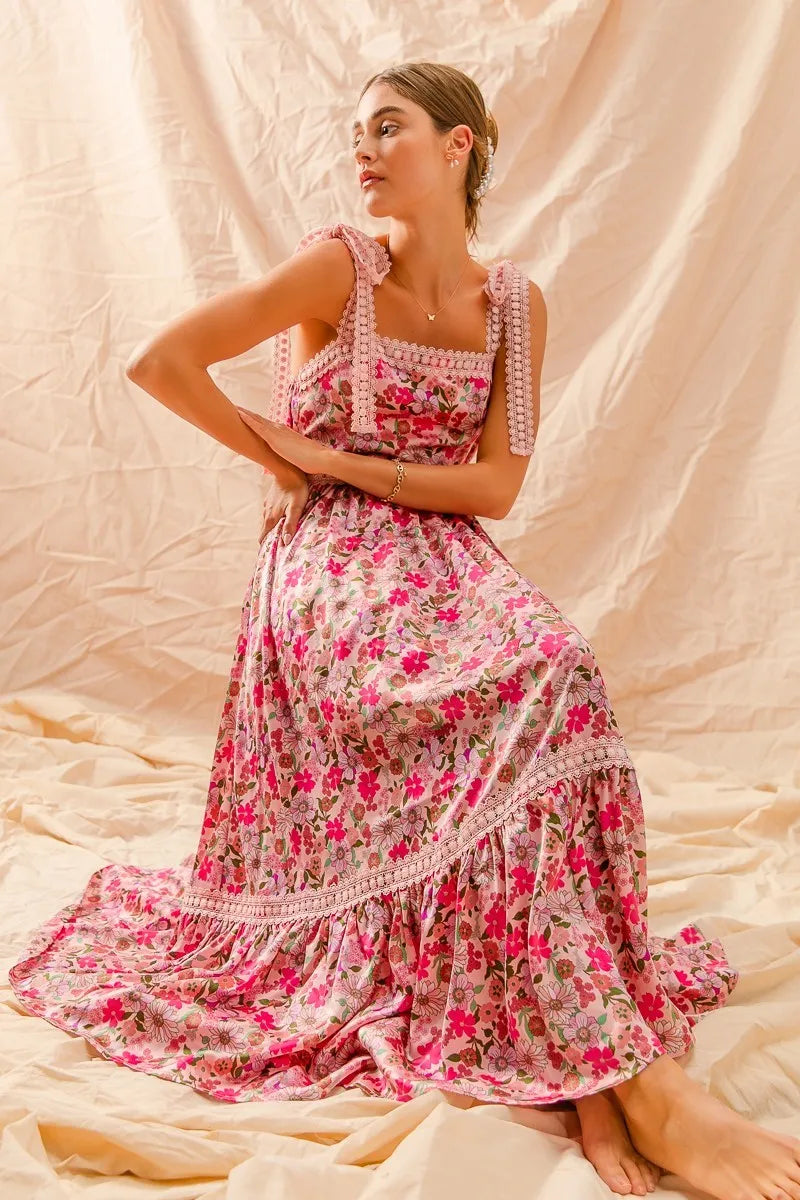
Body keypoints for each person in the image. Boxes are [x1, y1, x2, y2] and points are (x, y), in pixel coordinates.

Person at [9, 59, 800, 1200]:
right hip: (325, 563)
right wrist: (295, 463)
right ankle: (621, 1079)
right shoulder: (340, 267)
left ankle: (597, 1065)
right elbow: (160, 361)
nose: (364, 150)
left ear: (459, 146)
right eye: (356, 132)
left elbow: (493, 489)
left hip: (440, 551)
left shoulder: (515, 305)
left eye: (389, 128)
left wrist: (331, 455)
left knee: (552, 668)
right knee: (500, 693)